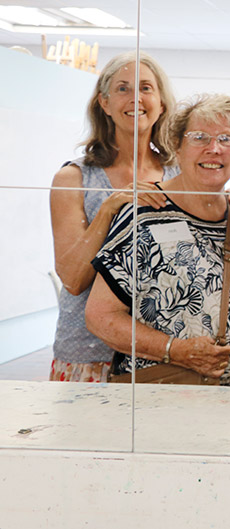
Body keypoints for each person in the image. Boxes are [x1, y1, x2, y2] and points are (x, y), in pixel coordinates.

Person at [85, 94, 230, 386]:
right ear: (177, 147)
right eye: (199, 137)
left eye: (226, 138)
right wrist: (176, 350)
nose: (214, 149)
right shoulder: (143, 213)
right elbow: (99, 316)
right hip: (162, 396)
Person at [49, 52, 179, 382]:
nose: (135, 98)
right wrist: (110, 207)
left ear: (161, 103)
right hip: (89, 356)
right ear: (104, 103)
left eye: (146, 88)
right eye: (123, 88)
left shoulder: (181, 176)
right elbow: (73, 280)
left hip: (161, 354)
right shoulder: (74, 178)